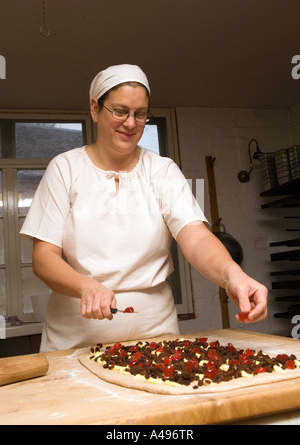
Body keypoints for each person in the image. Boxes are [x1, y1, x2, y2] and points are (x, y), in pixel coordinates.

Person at [20, 64, 268, 352]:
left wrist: (233, 275)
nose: (130, 123)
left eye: (140, 114)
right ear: (94, 109)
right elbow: (44, 257)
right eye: (120, 111)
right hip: (75, 333)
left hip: (155, 331)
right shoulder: (65, 168)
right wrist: (85, 286)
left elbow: (196, 237)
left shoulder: (162, 170)